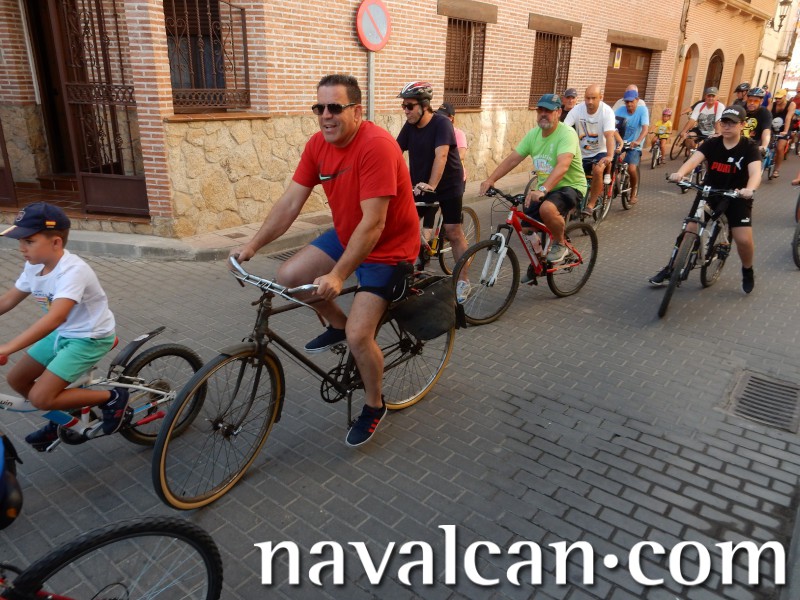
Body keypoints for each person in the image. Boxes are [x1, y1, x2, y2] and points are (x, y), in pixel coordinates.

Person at [232, 74, 419, 448]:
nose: (326, 115)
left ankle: (374, 404)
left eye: (335, 107)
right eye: (319, 108)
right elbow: (290, 203)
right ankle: (336, 324)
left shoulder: (377, 147)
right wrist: (251, 246)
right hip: (348, 233)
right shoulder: (318, 145)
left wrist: (337, 274)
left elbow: (374, 223)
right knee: (289, 275)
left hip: (388, 247)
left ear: (357, 111)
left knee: (359, 335)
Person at [0, 202, 125, 451]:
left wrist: (7, 348)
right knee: (17, 379)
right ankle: (64, 418)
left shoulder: (73, 271)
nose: (21, 247)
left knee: (40, 397)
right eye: (20, 240)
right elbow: (7, 300)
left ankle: (112, 398)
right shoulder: (34, 265)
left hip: (89, 338)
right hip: (64, 333)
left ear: (56, 242)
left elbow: (54, 318)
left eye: (29, 241)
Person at [649, 105, 761, 294]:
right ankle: (671, 268)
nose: (727, 127)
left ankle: (747, 270)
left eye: (732, 123)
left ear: (742, 125)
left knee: (743, 239)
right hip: (709, 191)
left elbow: (755, 172)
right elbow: (694, 160)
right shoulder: (712, 143)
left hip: (737, 195)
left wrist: (749, 189)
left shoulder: (749, 147)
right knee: (690, 228)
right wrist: (680, 173)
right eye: (724, 122)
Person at [479, 94, 587, 265]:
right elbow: (513, 159)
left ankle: (560, 243)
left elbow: (563, 166)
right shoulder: (533, 135)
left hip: (570, 186)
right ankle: (539, 264)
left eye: (548, 111)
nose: (543, 114)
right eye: (540, 110)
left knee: (547, 209)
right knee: (526, 228)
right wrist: (491, 180)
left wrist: (542, 190)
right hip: (546, 188)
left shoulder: (567, 134)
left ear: (558, 112)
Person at [396, 82, 469, 301]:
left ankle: (463, 281)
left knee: (453, 231)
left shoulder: (441, 124)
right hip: (420, 185)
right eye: (404, 106)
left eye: (410, 106)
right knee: (404, 226)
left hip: (447, 185)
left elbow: (442, 155)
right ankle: (409, 272)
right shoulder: (410, 126)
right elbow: (394, 152)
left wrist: (432, 185)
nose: (406, 110)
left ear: (424, 105)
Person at [563, 84, 616, 217]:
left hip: (601, 150)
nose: (590, 102)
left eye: (593, 98)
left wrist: (610, 156)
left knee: (597, 170)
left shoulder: (607, 112)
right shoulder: (577, 110)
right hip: (581, 151)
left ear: (600, 97)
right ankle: (573, 203)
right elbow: (564, 129)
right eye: (587, 98)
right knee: (568, 171)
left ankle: (591, 205)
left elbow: (609, 136)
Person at [614, 89, 650, 204]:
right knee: (610, 163)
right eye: (627, 102)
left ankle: (633, 191)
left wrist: (638, 141)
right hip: (620, 143)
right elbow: (610, 125)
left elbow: (645, 129)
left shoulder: (642, 110)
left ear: (637, 100)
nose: (629, 104)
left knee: (632, 169)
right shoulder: (620, 110)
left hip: (634, 145)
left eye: (631, 101)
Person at [435, 102, 468, 190]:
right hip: (438, 177)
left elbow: (461, 155)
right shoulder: (436, 133)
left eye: (442, 117)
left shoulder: (458, 134)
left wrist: (442, 158)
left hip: (454, 178)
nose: (438, 119)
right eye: (437, 115)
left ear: (451, 118)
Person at [769, 88, 795, 178]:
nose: (777, 100)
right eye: (776, 98)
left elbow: (788, 118)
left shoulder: (791, 104)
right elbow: (766, 115)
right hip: (773, 127)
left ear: (784, 97)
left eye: (779, 98)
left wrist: (785, 131)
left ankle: (776, 169)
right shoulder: (772, 105)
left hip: (785, 127)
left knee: (780, 148)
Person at [742, 87, 772, 153]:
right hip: (739, 142)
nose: (752, 103)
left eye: (756, 101)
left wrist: (764, 146)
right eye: (750, 100)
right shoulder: (741, 109)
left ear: (761, 102)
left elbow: (766, 130)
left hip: (755, 145)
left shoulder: (765, 113)